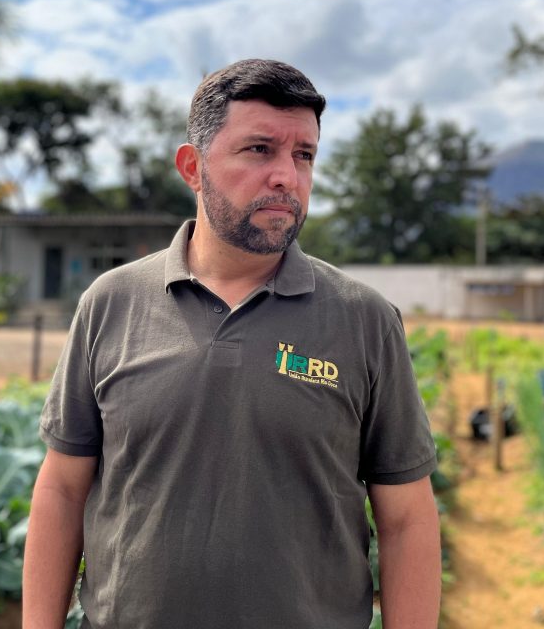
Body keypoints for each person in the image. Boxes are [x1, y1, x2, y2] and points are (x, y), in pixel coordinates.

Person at [22, 59, 441, 629]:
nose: (287, 176)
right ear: (193, 168)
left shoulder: (364, 320)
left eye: (304, 155)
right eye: (259, 149)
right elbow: (63, 490)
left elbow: (407, 518)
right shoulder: (111, 303)